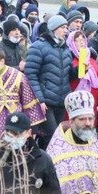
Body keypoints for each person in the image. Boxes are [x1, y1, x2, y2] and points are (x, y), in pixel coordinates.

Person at [0, 47, 45, 143]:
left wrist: (33, 129)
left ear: (2, 61)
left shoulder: (19, 77)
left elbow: (29, 103)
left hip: (18, 127)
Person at [24, 15, 74, 145]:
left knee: (56, 136)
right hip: (46, 102)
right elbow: (31, 75)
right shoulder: (38, 47)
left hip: (61, 101)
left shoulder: (65, 48)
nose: (66, 31)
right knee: (53, 136)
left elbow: (67, 75)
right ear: (53, 29)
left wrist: (81, 70)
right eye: (63, 27)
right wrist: (40, 99)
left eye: (66, 28)